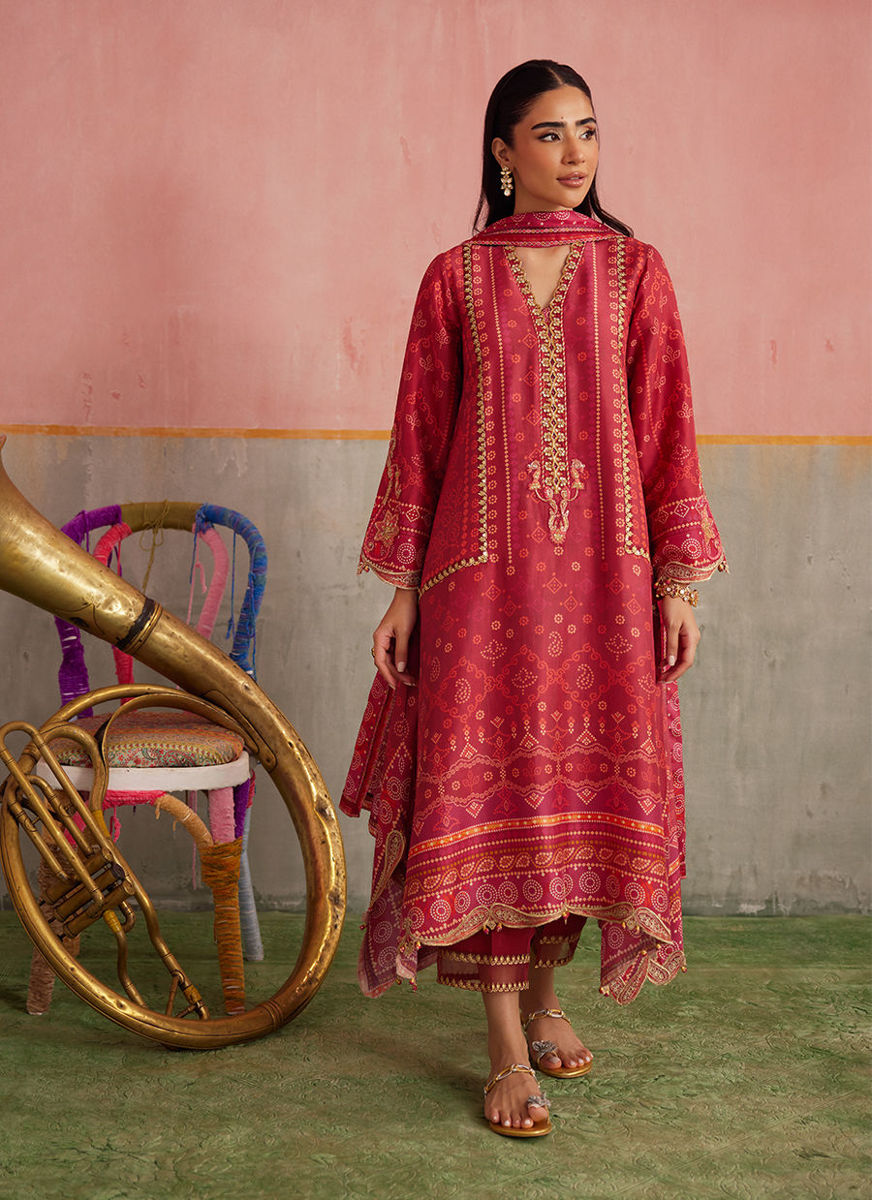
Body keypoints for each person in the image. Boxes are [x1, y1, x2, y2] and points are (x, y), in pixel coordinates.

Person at [341, 59, 726, 1138]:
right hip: (480, 586)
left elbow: (666, 429)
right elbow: (418, 439)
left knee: (573, 799)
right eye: (549, 135)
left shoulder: (636, 272)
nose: (575, 156)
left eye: (588, 133)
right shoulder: (452, 278)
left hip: (606, 586)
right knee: (491, 794)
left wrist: (678, 583)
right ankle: (505, 1046)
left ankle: (550, 998)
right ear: (500, 151)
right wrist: (403, 589)